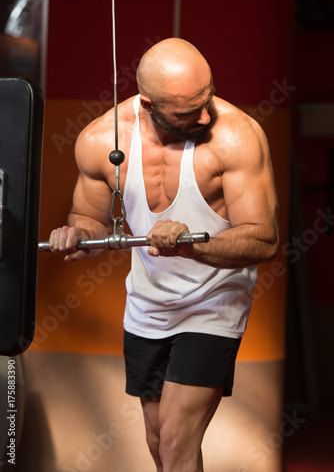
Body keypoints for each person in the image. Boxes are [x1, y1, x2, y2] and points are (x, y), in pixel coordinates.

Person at [48, 38, 279, 472]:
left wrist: (190, 242)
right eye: (189, 112)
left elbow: (264, 239)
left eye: (207, 100)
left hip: (214, 303)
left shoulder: (236, 136)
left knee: (175, 442)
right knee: (158, 442)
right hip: (147, 304)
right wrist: (75, 235)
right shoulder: (101, 139)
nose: (206, 116)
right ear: (149, 104)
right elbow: (88, 217)